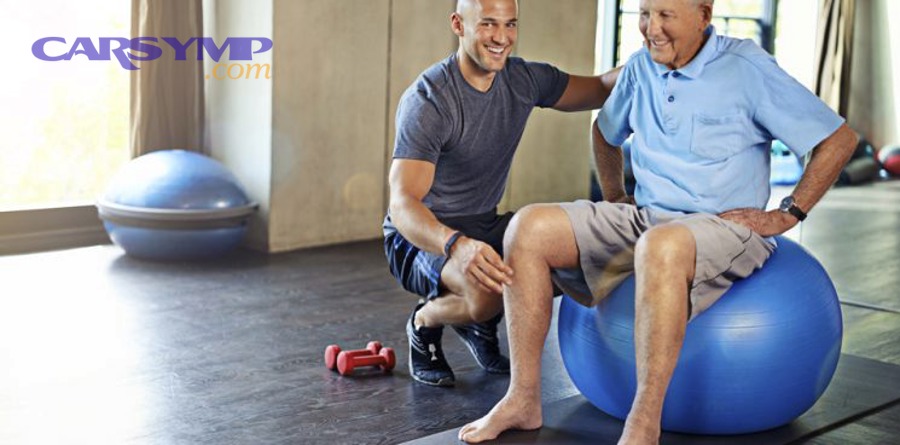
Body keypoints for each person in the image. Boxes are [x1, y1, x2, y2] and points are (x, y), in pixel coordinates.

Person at [459, 0, 857, 443]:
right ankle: (522, 399)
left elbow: (838, 139)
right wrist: (615, 199)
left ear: (704, 15)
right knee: (528, 228)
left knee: (660, 246)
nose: (652, 28)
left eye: (666, 15)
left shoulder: (745, 66)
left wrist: (788, 212)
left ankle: (643, 421)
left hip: (724, 225)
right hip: (648, 218)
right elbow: (604, 133)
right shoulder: (639, 67)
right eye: (645, 13)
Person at [384, 0, 620, 387]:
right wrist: (457, 245)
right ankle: (425, 321)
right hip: (419, 236)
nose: (502, 37)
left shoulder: (523, 79)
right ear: (458, 25)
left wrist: (653, 58)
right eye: (488, 24)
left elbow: (599, 89)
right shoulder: (429, 100)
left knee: (577, 254)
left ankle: (479, 322)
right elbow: (403, 203)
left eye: (510, 25)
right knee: (485, 290)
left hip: (483, 222)